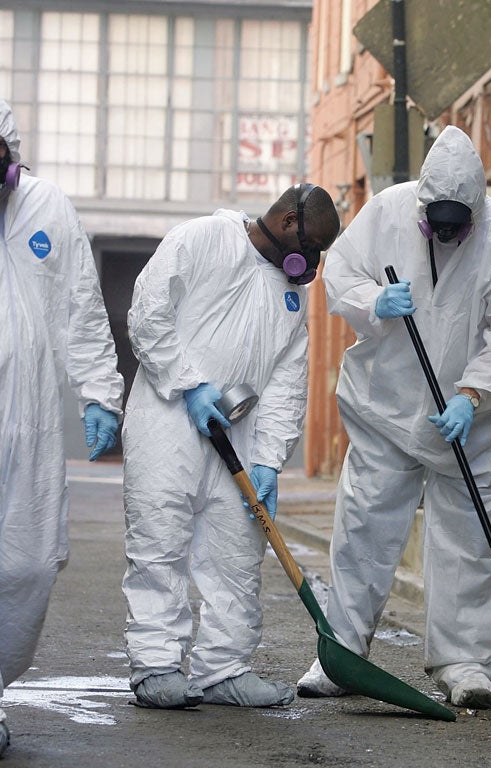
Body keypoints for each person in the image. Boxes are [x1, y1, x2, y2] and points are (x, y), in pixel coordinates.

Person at [296, 125, 491, 709]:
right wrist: (373, 302)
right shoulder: (386, 212)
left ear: (477, 212)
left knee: (469, 543)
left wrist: (472, 395)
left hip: (471, 427)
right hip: (388, 409)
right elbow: (339, 277)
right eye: (439, 224)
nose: (449, 235)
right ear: (423, 206)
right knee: (364, 532)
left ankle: (465, 664)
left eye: (460, 225)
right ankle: (341, 655)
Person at [121, 182, 340, 709]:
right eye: (313, 248)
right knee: (160, 537)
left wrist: (269, 461)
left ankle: (225, 668)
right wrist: (189, 382)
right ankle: (155, 664)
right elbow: (148, 312)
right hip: (170, 418)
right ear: (288, 222)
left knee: (237, 553)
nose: (313, 263)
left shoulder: (291, 294)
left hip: (239, 434)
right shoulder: (203, 239)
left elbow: (288, 380)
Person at [0, 100, 124, 756]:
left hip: (30, 418)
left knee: (26, 564)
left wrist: (101, 392)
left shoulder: (48, 206)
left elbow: (82, 303)